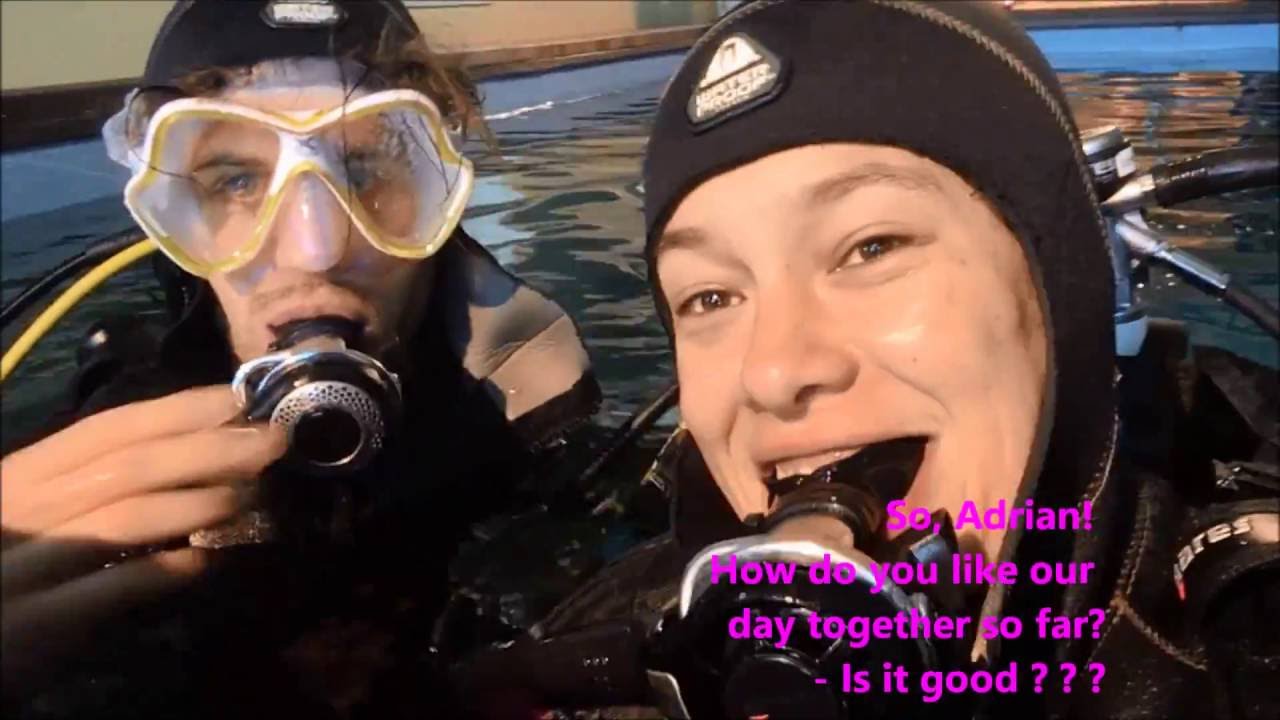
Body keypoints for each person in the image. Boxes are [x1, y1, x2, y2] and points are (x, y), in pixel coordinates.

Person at [449, 2, 1279, 719]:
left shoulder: (1235, 637)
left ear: (1062, 292)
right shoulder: (624, 641)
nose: (774, 373)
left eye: (871, 247)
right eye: (710, 296)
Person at [1, 0, 600, 717]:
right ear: (173, 214)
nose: (315, 251)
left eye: (367, 168)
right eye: (236, 180)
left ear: (437, 198)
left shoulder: (533, 432)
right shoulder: (100, 460)